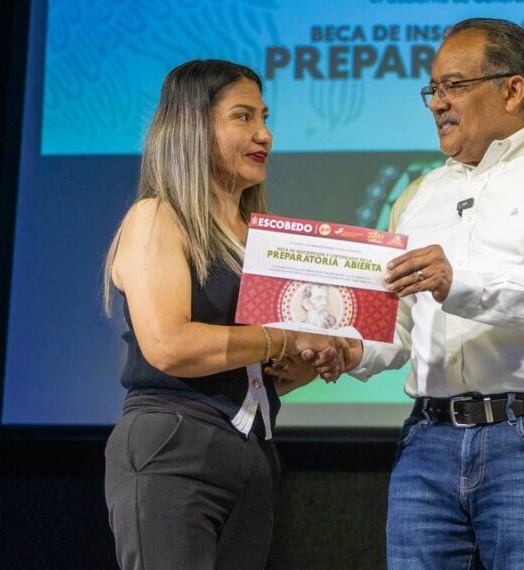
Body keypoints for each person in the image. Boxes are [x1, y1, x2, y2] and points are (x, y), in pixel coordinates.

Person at [338, 18, 524, 569]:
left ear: (512, 88)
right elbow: (400, 329)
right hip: (427, 443)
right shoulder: (420, 194)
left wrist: (462, 284)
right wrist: (349, 349)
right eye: (432, 89)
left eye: (453, 86)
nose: (436, 103)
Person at [102, 59, 346, 570]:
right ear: (192, 127)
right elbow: (169, 345)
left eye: (264, 117)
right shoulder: (157, 216)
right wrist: (281, 337)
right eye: (242, 117)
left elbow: (254, 372)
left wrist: (314, 355)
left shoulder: (257, 236)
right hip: (175, 444)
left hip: (253, 452)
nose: (264, 135)